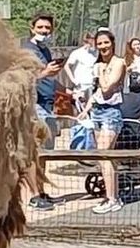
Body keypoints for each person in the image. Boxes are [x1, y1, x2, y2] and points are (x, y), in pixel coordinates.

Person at [80, 29, 128, 215]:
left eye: (105, 43)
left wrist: (100, 71)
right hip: (97, 112)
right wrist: (86, 110)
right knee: (104, 158)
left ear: (112, 43)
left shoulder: (118, 63)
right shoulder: (98, 64)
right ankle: (111, 195)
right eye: (99, 44)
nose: (102, 47)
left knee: (104, 155)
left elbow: (107, 88)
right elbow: (98, 93)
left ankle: (113, 199)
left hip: (111, 114)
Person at [21, 12, 64, 211]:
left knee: (45, 152)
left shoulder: (44, 50)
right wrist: (45, 73)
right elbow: (23, 78)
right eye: (40, 28)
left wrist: (67, 91)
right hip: (34, 104)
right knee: (35, 152)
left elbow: (49, 79)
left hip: (47, 104)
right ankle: (34, 195)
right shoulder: (27, 50)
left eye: (47, 28)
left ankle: (42, 190)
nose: (44, 32)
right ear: (32, 28)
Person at [64, 31, 98, 112]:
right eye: (88, 41)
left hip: (93, 86)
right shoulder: (77, 53)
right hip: (81, 87)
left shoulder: (97, 53)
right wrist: (73, 80)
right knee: (81, 110)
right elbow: (66, 66)